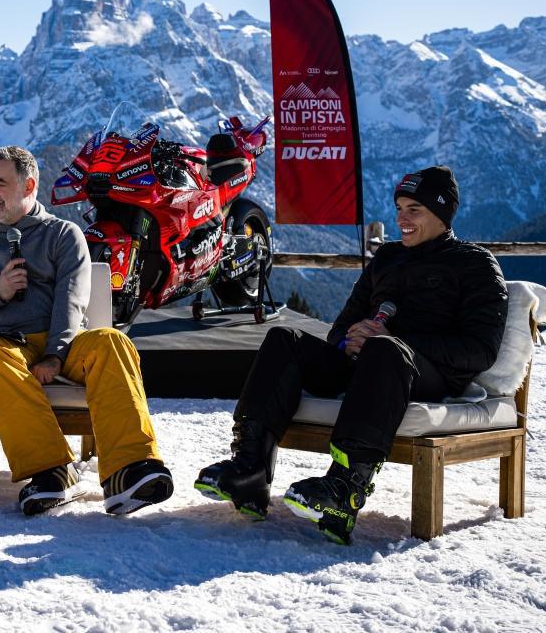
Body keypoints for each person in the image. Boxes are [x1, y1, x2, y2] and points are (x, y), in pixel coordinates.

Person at [195, 166, 508, 544]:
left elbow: (480, 350)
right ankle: (250, 468)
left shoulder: (474, 263)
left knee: (385, 349)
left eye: (414, 210)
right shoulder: (388, 258)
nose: (401, 219)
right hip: (367, 363)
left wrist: (393, 337)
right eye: (399, 208)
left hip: (426, 375)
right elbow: (339, 328)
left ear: (442, 214)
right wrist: (349, 340)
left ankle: (344, 488)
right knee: (284, 338)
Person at [0, 145, 173, 516]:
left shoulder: (63, 234)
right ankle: (52, 472)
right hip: (2, 346)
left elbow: (72, 300)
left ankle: (130, 471)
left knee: (113, 342)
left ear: (28, 184)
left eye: (0, 182)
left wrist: (55, 354)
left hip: (60, 342)